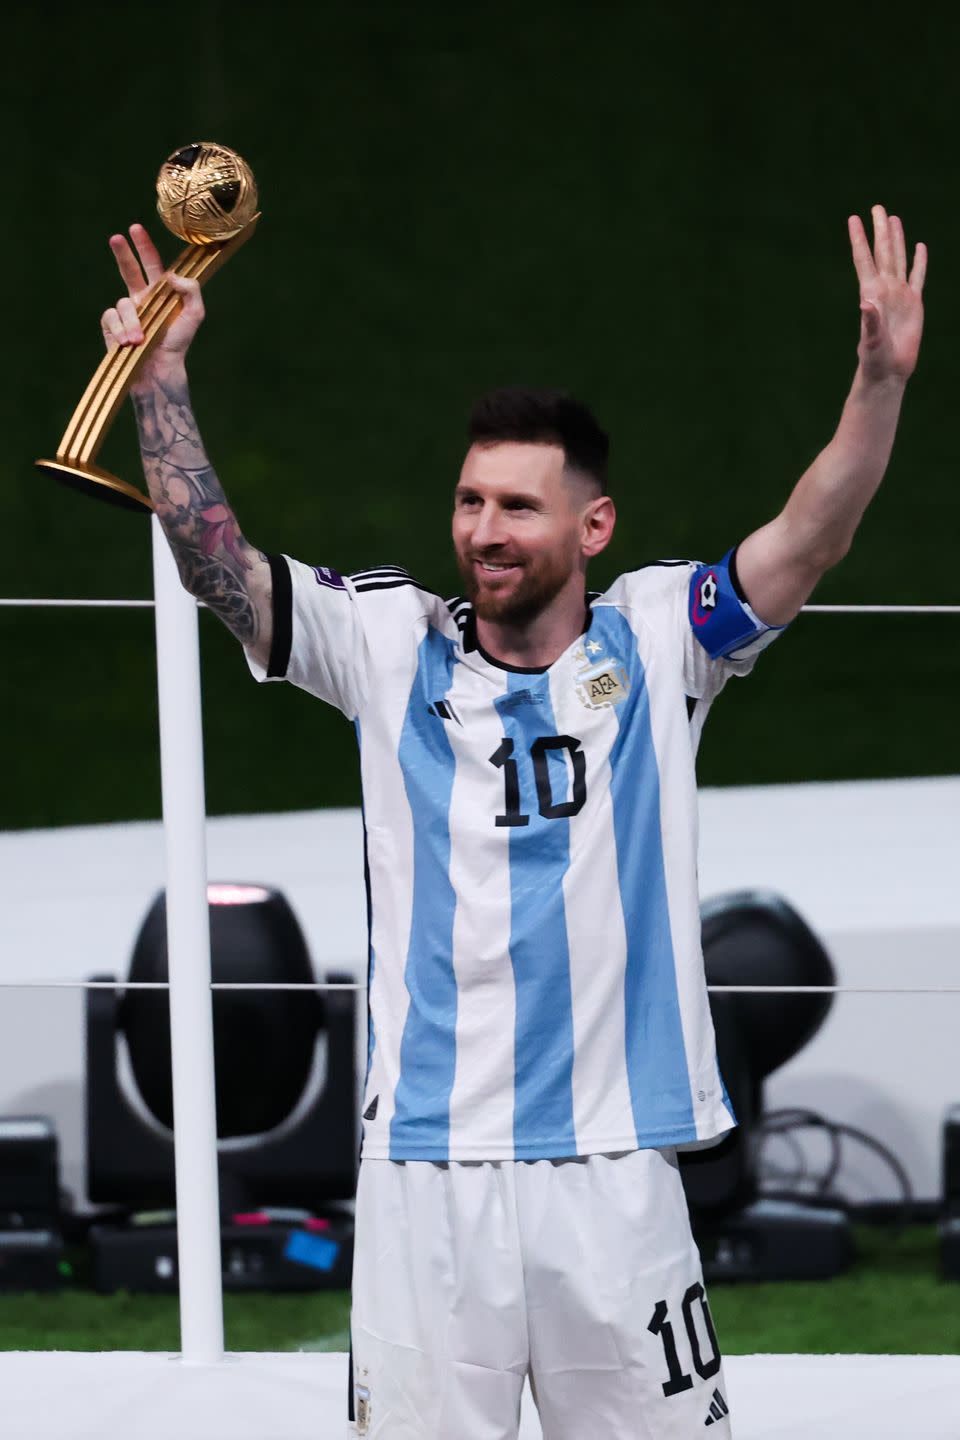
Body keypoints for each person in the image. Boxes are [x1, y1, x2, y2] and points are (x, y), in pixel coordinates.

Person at [102, 205, 925, 1439]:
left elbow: (814, 536)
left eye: (519, 509)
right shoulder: (384, 639)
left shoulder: (662, 636)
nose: (485, 532)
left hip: (616, 1168)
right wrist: (159, 382)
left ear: (593, 528)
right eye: (470, 501)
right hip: (427, 1170)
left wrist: (879, 381)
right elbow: (222, 568)